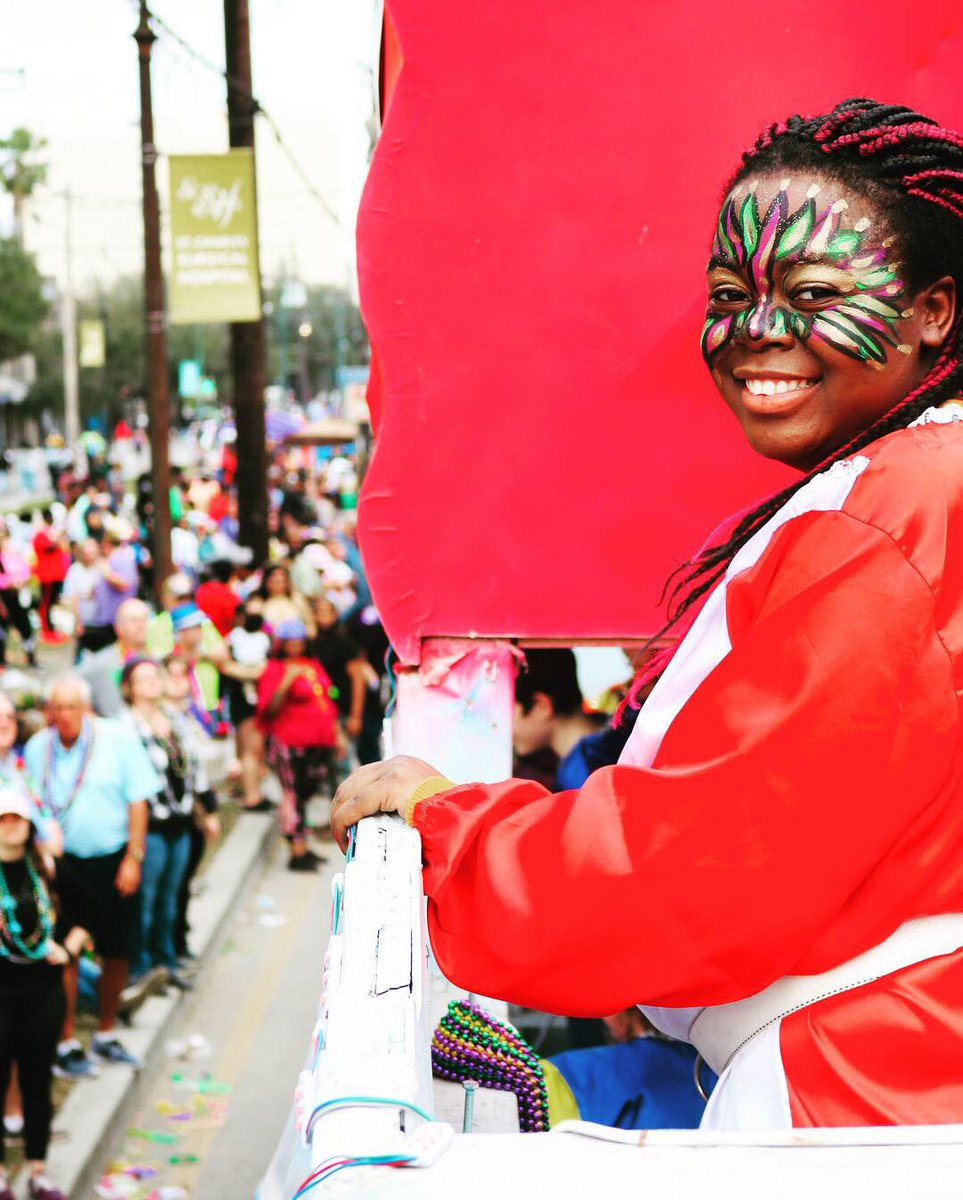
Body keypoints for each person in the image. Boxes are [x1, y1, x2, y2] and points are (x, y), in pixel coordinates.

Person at [333, 98, 963, 1129]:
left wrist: (449, 824)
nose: (759, 331)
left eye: (810, 292)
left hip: (863, 1104)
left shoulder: (899, 515)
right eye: (731, 292)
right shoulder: (909, 489)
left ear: (935, 311)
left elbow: (700, 869)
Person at [25, 675, 161, 1079]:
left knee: (117, 948)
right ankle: (66, 1041)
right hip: (61, 867)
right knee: (65, 951)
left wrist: (134, 858)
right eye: (57, 708)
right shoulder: (38, 748)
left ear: (87, 709)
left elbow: (138, 800)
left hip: (113, 859)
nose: (64, 716)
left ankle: (105, 1031)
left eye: (72, 707)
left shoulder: (116, 739)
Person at [0, 788, 89, 1200]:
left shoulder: (47, 869)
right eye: (3, 818)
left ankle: (38, 1170)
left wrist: (68, 949)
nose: (12, 824)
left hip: (43, 993)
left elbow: (91, 916)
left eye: (18, 817)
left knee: (37, 1081)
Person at [120, 657, 217, 991]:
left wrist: (209, 808)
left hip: (182, 823)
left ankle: (167, 962)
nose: (151, 682)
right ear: (129, 688)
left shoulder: (175, 718)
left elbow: (195, 766)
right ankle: (142, 969)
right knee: (145, 902)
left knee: (171, 898)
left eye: (154, 676)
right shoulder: (126, 727)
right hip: (152, 828)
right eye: (141, 678)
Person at [257, 620, 338, 869]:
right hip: (289, 744)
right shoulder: (275, 669)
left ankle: (304, 844)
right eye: (290, 642)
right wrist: (286, 681)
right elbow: (268, 710)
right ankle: (296, 850)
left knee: (305, 796)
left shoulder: (312, 665)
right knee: (292, 797)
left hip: (317, 743)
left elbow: (328, 696)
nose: (295, 647)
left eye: (299, 642)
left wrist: (337, 733)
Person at [79, 597, 151, 718]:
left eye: (145, 620)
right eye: (134, 620)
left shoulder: (154, 660)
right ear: (118, 627)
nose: (141, 626)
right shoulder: (102, 663)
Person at [0, 518, 35, 669]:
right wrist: (9, 582)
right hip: (3, 597)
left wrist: (21, 580)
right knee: (3, 629)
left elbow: (26, 569)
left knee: (25, 627)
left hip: (18, 596)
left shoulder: (14, 553)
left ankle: (31, 657)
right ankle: (2, 659)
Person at [31, 511, 69, 645]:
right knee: (46, 604)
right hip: (47, 576)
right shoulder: (40, 535)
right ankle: (47, 631)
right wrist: (59, 537)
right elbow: (50, 547)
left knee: (51, 604)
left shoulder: (50, 533)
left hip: (55, 575)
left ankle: (51, 628)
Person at [62, 539, 102, 660]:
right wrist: (78, 621)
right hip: (84, 620)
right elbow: (72, 597)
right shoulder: (75, 570)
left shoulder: (102, 568)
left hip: (101, 621)